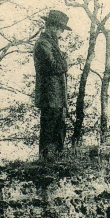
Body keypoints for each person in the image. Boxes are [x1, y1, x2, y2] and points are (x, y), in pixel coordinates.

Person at [33, 10, 71, 160]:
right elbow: (55, 66)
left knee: (58, 126)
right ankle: (46, 160)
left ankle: (56, 158)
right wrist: (66, 61)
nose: (62, 33)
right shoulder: (43, 43)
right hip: (49, 94)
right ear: (53, 27)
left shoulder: (51, 44)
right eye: (61, 29)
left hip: (56, 95)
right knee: (49, 127)